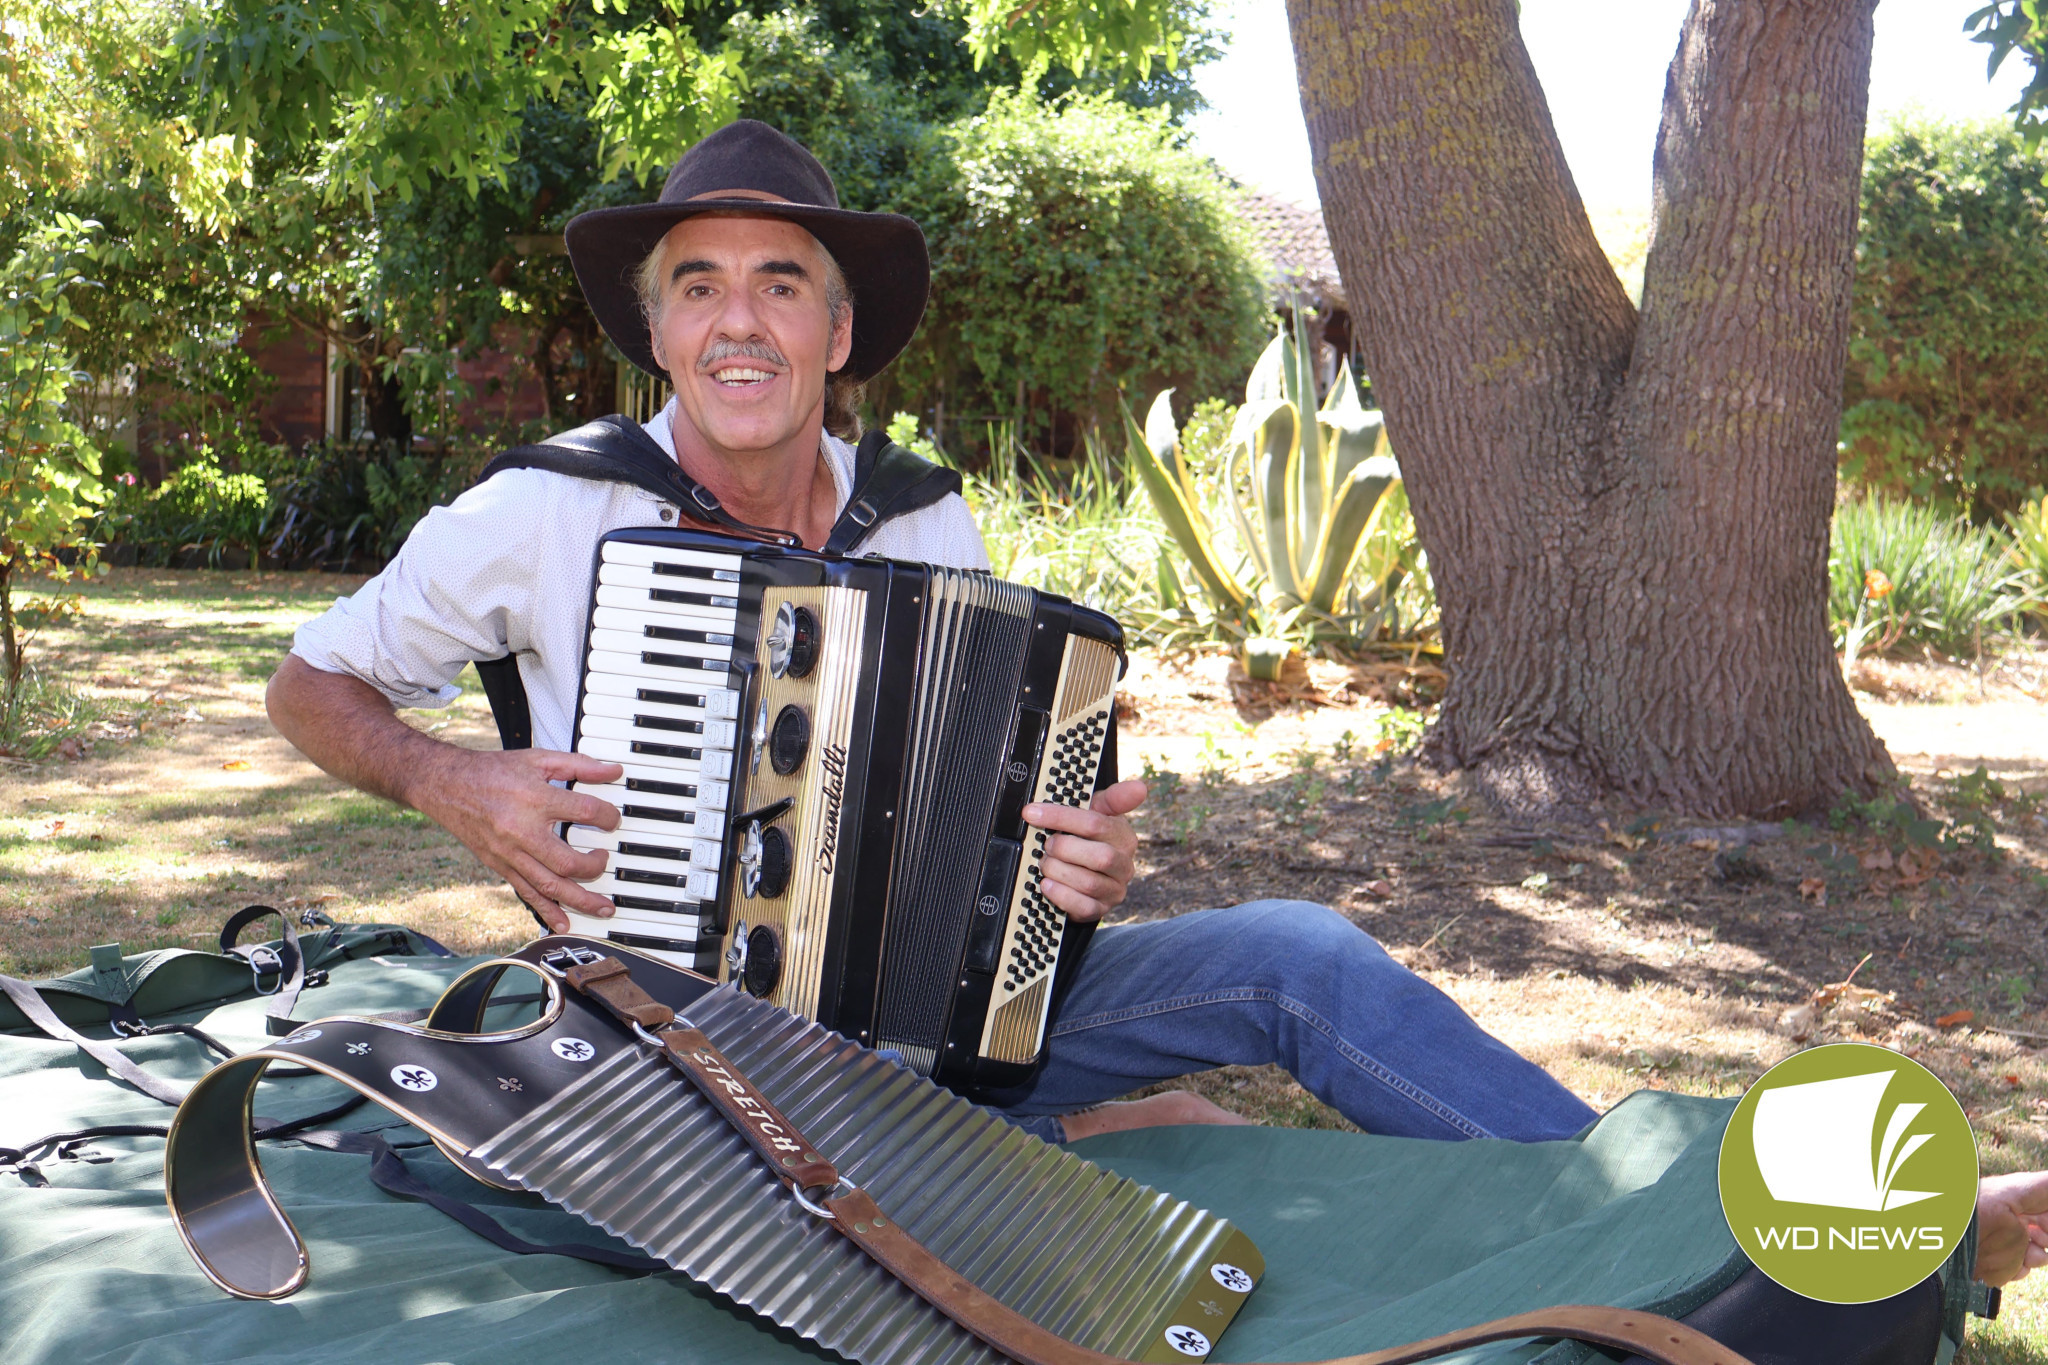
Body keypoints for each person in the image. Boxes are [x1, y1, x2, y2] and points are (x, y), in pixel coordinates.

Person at [266, 120, 2047, 1288]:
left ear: (836, 334)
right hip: (702, 1058)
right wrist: (444, 779)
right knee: (904, 1184)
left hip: (937, 1029)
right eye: (702, 286)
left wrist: (1082, 855)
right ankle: (1071, 1149)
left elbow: (1013, 804)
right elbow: (310, 681)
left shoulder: (920, 513)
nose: (742, 321)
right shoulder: (541, 511)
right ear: (658, 334)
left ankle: (1725, 1218)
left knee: (1300, 954)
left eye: (781, 284)